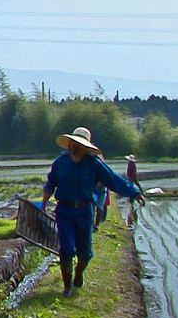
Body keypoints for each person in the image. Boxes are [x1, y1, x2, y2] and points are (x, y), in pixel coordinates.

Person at [41, 127, 145, 297]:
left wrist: (134, 192)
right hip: (64, 210)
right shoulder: (60, 163)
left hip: (84, 211)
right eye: (73, 144)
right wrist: (44, 204)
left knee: (86, 254)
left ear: (85, 148)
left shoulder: (94, 165)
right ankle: (67, 287)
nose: (75, 147)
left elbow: (113, 180)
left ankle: (79, 273)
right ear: (69, 144)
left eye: (79, 145)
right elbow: (50, 184)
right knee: (66, 249)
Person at [124, 154, 145, 227]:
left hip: (131, 178)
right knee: (135, 187)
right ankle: (139, 196)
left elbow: (130, 173)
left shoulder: (131, 165)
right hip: (132, 178)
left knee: (132, 190)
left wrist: (129, 179)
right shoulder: (132, 164)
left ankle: (137, 198)